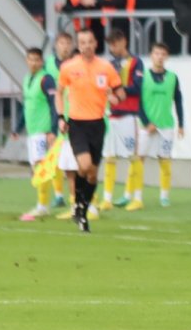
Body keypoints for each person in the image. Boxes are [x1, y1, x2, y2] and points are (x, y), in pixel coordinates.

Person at [56, 28, 124, 232]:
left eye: (90, 41)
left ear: (96, 44)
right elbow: (58, 93)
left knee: (93, 174)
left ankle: (82, 212)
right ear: (78, 44)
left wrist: (116, 97)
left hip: (97, 123)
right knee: (84, 166)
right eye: (82, 42)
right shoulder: (69, 67)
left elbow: (119, 90)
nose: (86, 45)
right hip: (77, 123)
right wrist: (61, 117)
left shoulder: (106, 67)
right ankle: (77, 203)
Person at [100, 29, 147, 211]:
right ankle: (107, 198)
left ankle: (137, 197)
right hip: (112, 116)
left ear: (124, 42)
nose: (112, 47)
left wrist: (118, 91)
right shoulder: (109, 64)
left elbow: (137, 87)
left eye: (115, 43)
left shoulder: (136, 62)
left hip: (129, 116)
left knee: (133, 157)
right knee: (110, 157)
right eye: (110, 44)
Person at [11, 47, 59, 219]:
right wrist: (17, 128)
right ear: (26, 60)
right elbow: (27, 107)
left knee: (41, 167)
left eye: (36, 60)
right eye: (30, 59)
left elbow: (55, 105)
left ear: (41, 61)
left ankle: (42, 205)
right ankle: (45, 203)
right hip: (32, 131)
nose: (33, 63)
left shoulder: (46, 79)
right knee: (37, 168)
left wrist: (53, 130)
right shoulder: (27, 79)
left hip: (43, 130)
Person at [139, 42, 184, 207]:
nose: (159, 57)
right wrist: (145, 122)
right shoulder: (143, 76)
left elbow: (178, 100)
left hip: (166, 125)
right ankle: (136, 195)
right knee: (139, 159)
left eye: (162, 54)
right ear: (151, 55)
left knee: (165, 159)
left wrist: (181, 124)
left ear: (167, 57)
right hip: (146, 126)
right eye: (156, 53)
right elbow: (138, 102)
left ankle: (164, 195)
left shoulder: (172, 77)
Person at [45, 31, 75, 207]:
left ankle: (74, 196)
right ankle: (58, 195)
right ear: (56, 44)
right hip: (52, 114)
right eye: (62, 43)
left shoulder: (73, 65)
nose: (65, 47)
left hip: (71, 115)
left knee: (70, 159)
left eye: (68, 43)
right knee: (54, 156)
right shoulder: (48, 65)